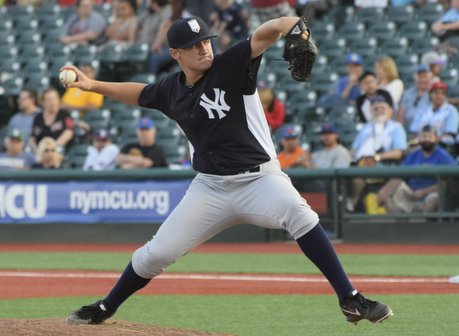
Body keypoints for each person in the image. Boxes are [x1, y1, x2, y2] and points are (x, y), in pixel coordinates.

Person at [62, 16, 392, 326]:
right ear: (176, 54)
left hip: (260, 179)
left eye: (206, 41)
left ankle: (349, 298)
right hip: (210, 188)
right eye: (194, 45)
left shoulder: (230, 66)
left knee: (298, 212)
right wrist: (91, 85)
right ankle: (106, 307)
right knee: (156, 253)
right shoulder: (171, 90)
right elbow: (139, 93)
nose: (204, 48)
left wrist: (291, 24)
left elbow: (265, 34)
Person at [377, 125, 454, 214]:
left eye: (430, 137)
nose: (427, 139)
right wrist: (383, 191)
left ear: (436, 139)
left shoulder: (444, 156)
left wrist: (423, 192)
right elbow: (399, 175)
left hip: (432, 193)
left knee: (431, 203)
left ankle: (428, 228)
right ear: (419, 139)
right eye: (424, 136)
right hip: (412, 194)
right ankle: (403, 227)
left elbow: (447, 182)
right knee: (387, 199)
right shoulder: (413, 156)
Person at [349, 95, 407, 211]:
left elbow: (398, 153)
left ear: (390, 110)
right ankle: (349, 205)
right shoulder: (365, 128)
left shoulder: (396, 127)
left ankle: (352, 206)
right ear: (371, 111)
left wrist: (377, 157)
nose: (379, 111)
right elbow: (354, 150)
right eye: (376, 108)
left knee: (358, 178)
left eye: (382, 108)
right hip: (361, 164)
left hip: (384, 166)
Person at [29, 88, 75, 152]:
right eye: (49, 100)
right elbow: (32, 138)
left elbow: (69, 133)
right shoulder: (38, 117)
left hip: (61, 152)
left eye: (55, 99)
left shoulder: (64, 114)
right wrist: (37, 151)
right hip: (41, 153)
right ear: (43, 102)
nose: (53, 102)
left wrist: (52, 149)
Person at [136, 0, 173, 74]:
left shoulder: (166, 8)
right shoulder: (149, 11)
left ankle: (149, 81)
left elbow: (165, 25)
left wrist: (157, 44)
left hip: (163, 47)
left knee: (153, 58)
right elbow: (136, 23)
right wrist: (133, 42)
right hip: (145, 46)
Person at [396, 64, 432, 129]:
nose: (423, 80)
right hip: (407, 126)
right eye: (420, 77)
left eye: (425, 77)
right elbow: (401, 113)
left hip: (426, 127)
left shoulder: (433, 92)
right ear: (415, 78)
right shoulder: (409, 93)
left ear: (430, 78)